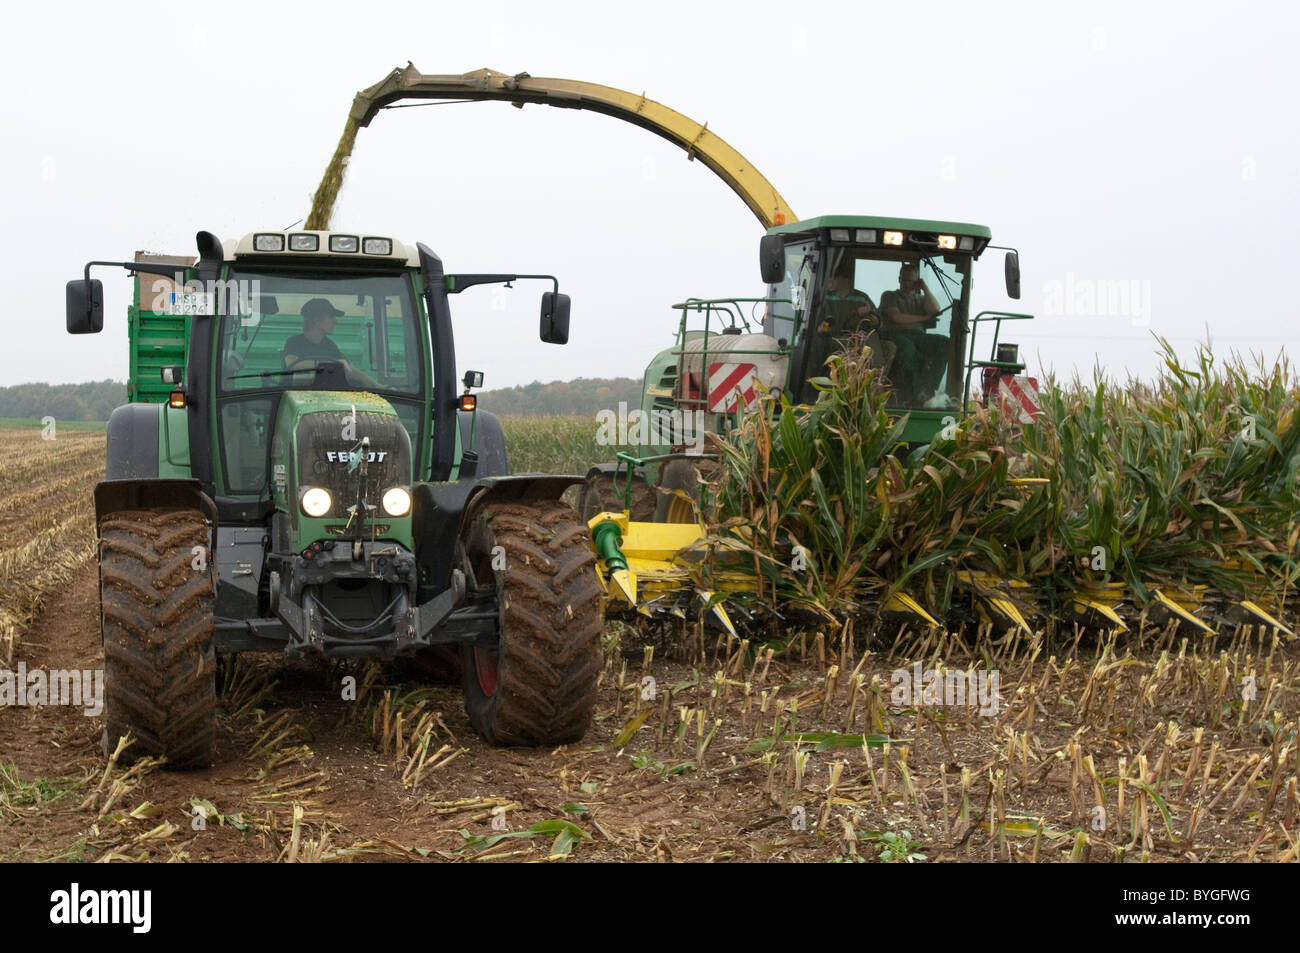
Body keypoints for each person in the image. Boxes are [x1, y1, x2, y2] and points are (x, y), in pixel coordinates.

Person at [879, 264, 949, 405]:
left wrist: (924, 288)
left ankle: (929, 390)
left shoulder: (921, 299)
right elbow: (897, 318)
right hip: (895, 334)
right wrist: (924, 318)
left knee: (945, 343)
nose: (906, 284)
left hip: (919, 336)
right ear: (899, 279)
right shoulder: (889, 296)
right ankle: (910, 396)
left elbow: (935, 309)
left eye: (910, 281)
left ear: (916, 282)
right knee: (909, 352)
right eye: (904, 280)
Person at [283, 298, 381, 389]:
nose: (336, 322)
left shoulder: (329, 345)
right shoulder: (294, 342)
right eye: (331, 317)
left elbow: (351, 371)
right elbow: (293, 364)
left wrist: (380, 387)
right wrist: (331, 364)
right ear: (316, 320)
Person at [817, 263, 894, 375]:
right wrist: (824, 326)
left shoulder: (861, 298)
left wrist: (868, 315)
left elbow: (878, 323)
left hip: (860, 338)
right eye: (829, 277)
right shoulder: (825, 299)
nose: (829, 281)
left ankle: (876, 378)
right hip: (835, 339)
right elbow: (821, 329)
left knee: (887, 345)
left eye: (833, 277)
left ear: (845, 279)